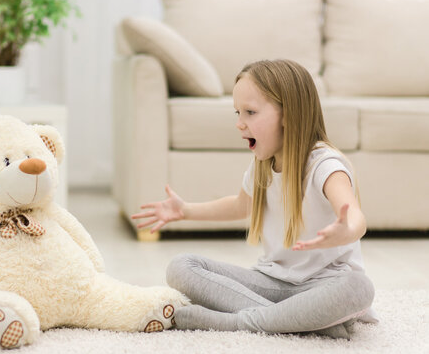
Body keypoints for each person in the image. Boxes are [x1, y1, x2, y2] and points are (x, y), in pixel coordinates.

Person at [131, 59, 377, 339]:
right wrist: (185, 210)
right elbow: (240, 205)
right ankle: (305, 322)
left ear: (288, 114)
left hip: (325, 284)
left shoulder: (324, 164)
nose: (239, 124)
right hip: (272, 281)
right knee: (181, 266)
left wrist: (346, 230)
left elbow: (355, 216)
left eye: (250, 112)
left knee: (360, 288)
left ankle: (239, 321)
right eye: (238, 112)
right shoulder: (262, 165)